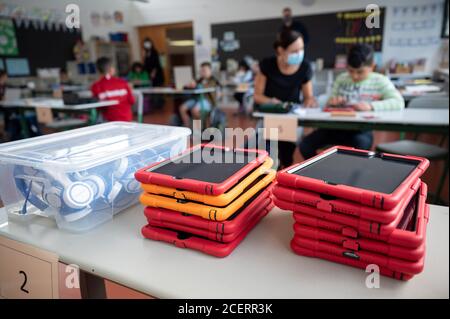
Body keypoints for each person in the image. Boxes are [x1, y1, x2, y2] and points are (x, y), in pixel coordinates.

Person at [299, 44, 405, 159]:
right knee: (305, 145)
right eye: (350, 71)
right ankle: (316, 173)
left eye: (360, 72)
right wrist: (333, 101)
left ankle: (349, 175)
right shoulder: (342, 78)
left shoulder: (380, 81)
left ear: (372, 66)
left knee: (360, 148)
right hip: (333, 127)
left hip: (360, 130)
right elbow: (330, 99)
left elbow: (398, 102)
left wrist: (371, 106)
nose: (354, 76)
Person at [254, 29, 316, 169]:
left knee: (285, 157)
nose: (299, 54)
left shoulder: (305, 67)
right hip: (270, 115)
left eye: (301, 49)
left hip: (290, 118)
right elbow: (257, 96)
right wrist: (272, 102)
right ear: (281, 50)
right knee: (266, 154)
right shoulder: (267, 65)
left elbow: (308, 98)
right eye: (294, 51)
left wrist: (310, 102)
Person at [91, 57, 135, 122]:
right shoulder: (122, 82)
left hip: (109, 121)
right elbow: (132, 101)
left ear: (98, 70)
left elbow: (98, 107)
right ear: (111, 69)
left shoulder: (96, 86)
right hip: (127, 119)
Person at [179, 62, 220, 127]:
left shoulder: (213, 80)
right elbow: (192, 86)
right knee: (182, 108)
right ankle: (188, 126)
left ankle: (200, 126)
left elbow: (206, 87)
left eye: (204, 70)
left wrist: (196, 85)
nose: (202, 72)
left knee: (194, 110)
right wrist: (189, 85)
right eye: (201, 70)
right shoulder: (200, 79)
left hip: (208, 101)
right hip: (196, 99)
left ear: (210, 70)